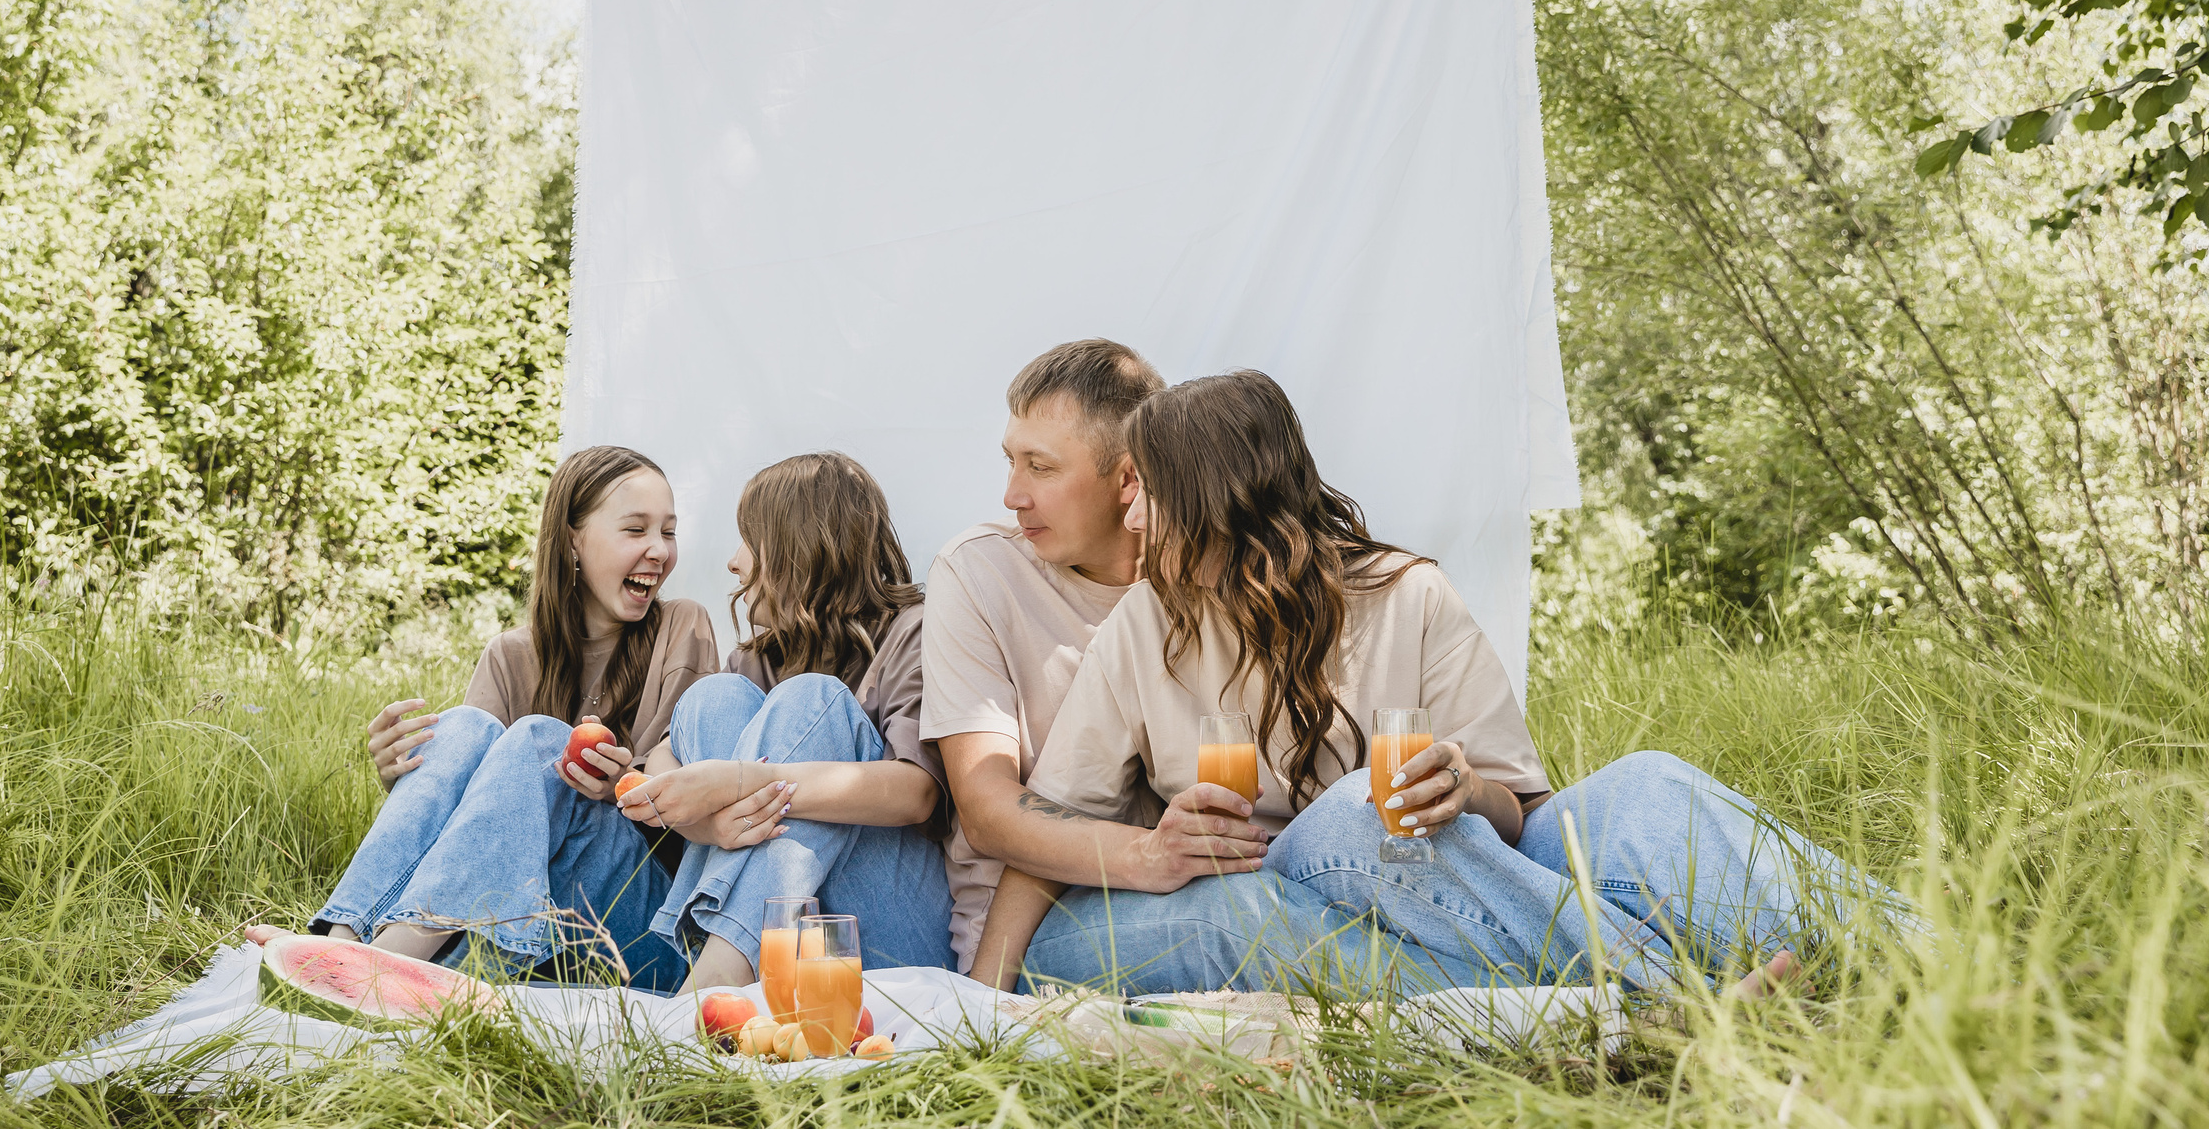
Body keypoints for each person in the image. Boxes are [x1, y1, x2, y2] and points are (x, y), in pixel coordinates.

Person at [980, 369, 1862, 998]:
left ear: (1215, 497)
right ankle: (1670, 1001)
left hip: (1427, 894)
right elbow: (1051, 822)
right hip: (1252, 895)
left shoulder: (1408, 595)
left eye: (1148, 490)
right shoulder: (1147, 621)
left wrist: (1469, 788)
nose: (1131, 512)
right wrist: (983, 992)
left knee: (1642, 784)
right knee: (1317, 848)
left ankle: (1910, 957)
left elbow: (1525, 820)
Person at [923, 339, 1340, 994]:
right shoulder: (979, 573)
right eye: (1011, 461)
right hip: (1041, 921)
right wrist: (1150, 854)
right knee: (1231, 915)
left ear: (1129, 479)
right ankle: (1510, 998)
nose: (1012, 495)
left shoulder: (1220, 586)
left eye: (1040, 467)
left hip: (1216, 894)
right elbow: (987, 807)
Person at [306, 445, 723, 989]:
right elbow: (471, 827)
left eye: (667, 532)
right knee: (460, 728)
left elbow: (692, 814)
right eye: (635, 530)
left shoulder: (682, 628)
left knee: (539, 739)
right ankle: (343, 936)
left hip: (642, 927)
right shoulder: (510, 656)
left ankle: (393, 960)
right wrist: (402, 774)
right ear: (573, 539)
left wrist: (619, 785)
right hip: (529, 929)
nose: (659, 552)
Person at [614, 451, 954, 985]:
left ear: (797, 549)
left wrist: (745, 780)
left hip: (888, 936)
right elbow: (664, 756)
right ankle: (741, 969)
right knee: (714, 698)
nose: (734, 562)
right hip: (797, 942)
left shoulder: (915, 631)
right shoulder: (757, 658)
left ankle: (715, 982)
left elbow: (919, 793)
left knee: (813, 700)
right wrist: (708, 819)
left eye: (748, 539)